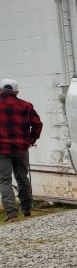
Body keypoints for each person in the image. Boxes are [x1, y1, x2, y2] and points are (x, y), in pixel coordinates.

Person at [0, 78, 43, 221]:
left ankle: (11, 214)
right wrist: (30, 140)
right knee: (22, 178)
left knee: (4, 181)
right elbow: (37, 124)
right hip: (21, 149)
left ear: (0, 90)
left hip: (1, 150)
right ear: (16, 91)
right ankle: (27, 210)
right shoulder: (26, 106)